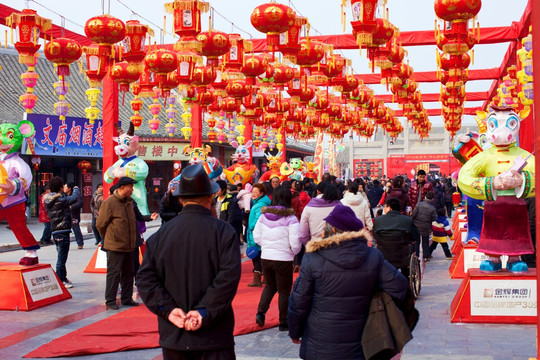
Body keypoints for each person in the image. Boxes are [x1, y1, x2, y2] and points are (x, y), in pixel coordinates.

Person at [137, 164, 241, 359]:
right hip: (214, 337)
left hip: (174, 336)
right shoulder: (224, 232)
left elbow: (145, 280)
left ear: (181, 199)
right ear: (210, 197)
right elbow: (228, 279)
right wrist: (204, 311)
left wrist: (168, 310)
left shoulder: (160, 236)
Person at [288, 204, 408, 359]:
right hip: (362, 340)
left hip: (321, 341)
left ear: (330, 230)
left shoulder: (313, 258)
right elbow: (399, 285)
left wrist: (295, 331)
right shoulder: (373, 256)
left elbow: (299, 301)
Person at [253, 187, 301, 331]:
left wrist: (267, 246)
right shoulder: (291, 218)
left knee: (270, 286)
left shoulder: (263, 216)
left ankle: (260, 313)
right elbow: (295, 243)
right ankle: (283, 321)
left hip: (266, 257)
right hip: (283, 258)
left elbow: (257, 236)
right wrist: (292, 252)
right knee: (284, 291)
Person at [96, 176, 140, 310]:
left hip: (129, 245)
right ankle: (110, 300)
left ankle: (127, 298)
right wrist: (111, 237)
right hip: (115, 245)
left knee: (128, 273)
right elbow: (100, 224)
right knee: (114, 274)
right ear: (122, 188)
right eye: (130, 187)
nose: (132, 189)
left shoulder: (129, 202)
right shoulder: (110, 202)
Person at [43, 176, 81, 289]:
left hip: (56, 230)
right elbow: (74, 198)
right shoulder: (59, 199)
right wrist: (76, 189)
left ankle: (63, 277)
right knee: (62, 258)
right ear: (60, 187)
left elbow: (61, 212)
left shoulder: (50, 199)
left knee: (61, 256)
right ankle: (61, 280)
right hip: (62, 230)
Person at [373, 197, 421, 278]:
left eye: (385, 206)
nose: (384, 208)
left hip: (384, 254)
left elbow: (375, 236)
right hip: (402, 255)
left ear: (390, 208)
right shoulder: (407, 220)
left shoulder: (378, 220)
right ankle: (406, 282)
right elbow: (416, 236)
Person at [246, 183, 271, 287]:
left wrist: (251, 227)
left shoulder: (260, 205)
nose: (253, 194)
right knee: (260, 256)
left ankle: (257, 280)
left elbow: (258, 220)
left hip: (256, 234)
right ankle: (265, 278)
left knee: (256, 257)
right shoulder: (260, 202)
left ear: (261, 193)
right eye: (252, 192)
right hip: (257, 234)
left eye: (256, 192)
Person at [412, 191, 437, 262]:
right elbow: (434, 218)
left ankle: (416, 255)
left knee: (417, 241)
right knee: (425, 242)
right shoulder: (432, 208)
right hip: (426, 226)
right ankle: (426, 256)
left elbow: (413, 214)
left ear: (425, 197)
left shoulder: (419, 204)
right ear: (432, 199)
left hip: (416, 225)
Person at [64, 182, 84, 249]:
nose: (64, 188)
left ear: (69, 188)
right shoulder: (64, 196)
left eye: (65, 187)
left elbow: (80, 203)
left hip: (74, 215)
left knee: (76, 230)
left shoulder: (76, 196)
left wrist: (71, 207)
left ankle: (80, 243)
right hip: (66, 215)